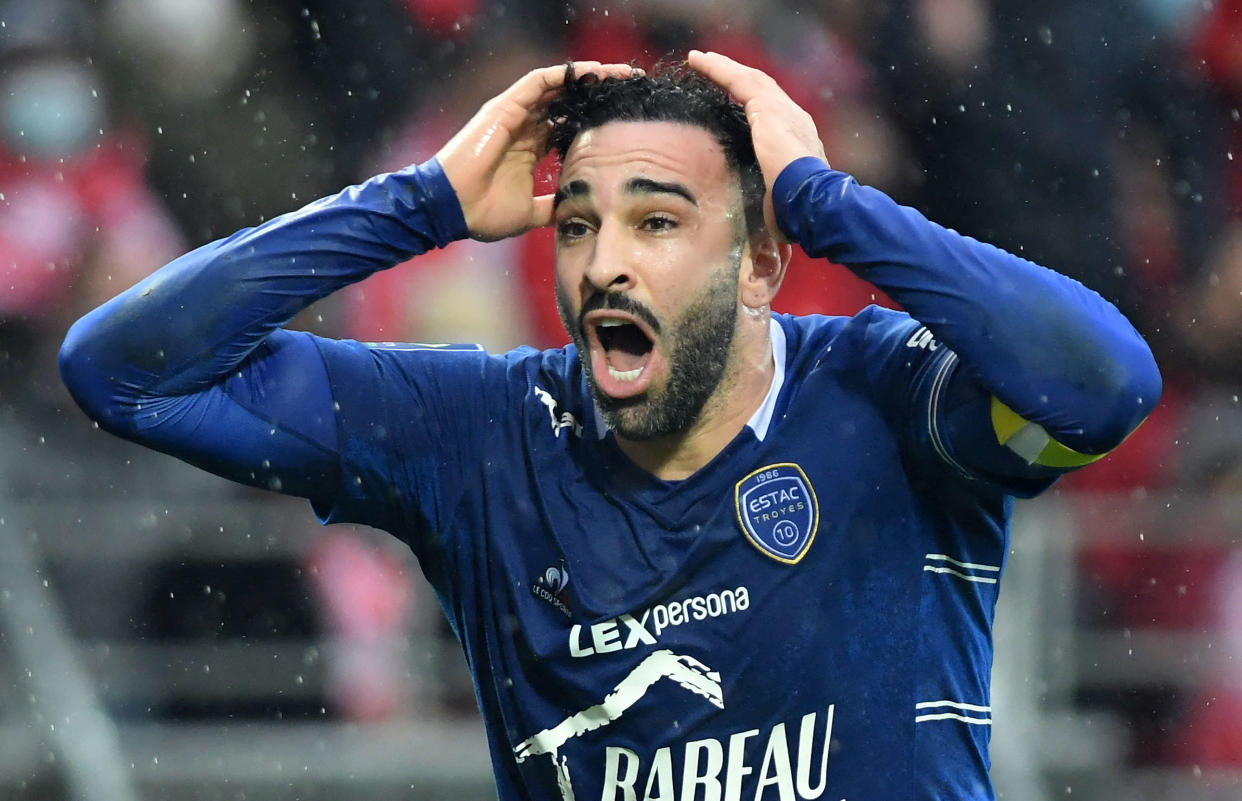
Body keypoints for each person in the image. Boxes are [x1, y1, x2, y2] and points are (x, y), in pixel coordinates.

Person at [59, 52, 1161, 800]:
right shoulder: (481, 432)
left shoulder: (885, 395)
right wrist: (423, 206)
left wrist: (830, 202)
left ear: (762, 263)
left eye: (658, 220)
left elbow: (1105, 385)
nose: (605, 262)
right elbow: (125, 374)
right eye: (578, 223)